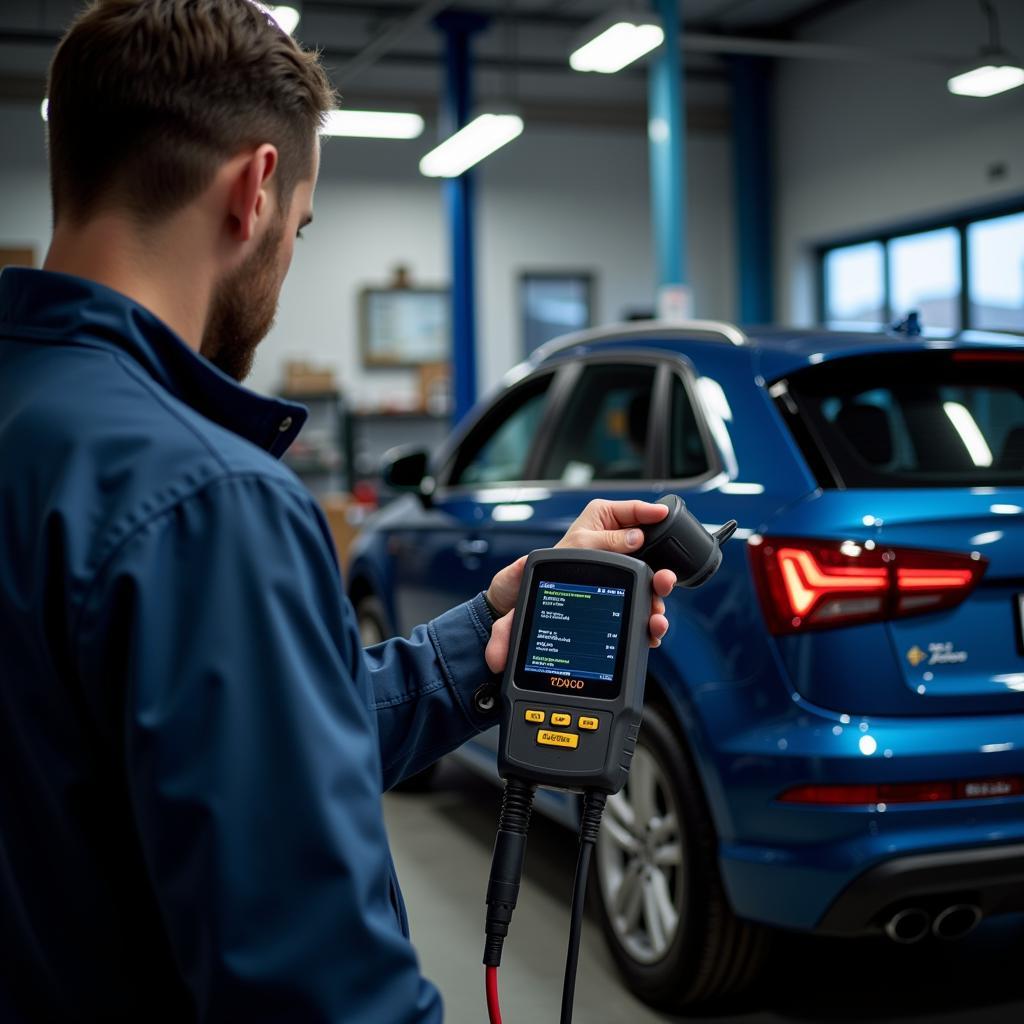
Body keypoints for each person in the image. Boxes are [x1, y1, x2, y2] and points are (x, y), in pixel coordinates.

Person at [0, 1, 677, 1020]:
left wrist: (490, 632)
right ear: (255, 191)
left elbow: (243, 753)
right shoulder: (207, 498)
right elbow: (316, 983)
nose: (286, 260)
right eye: (303, 229)